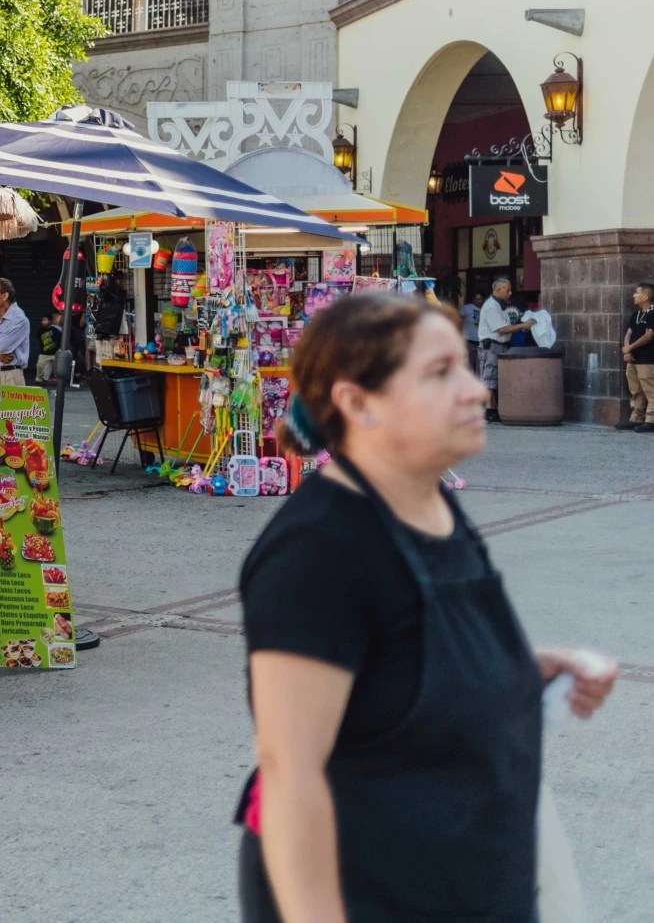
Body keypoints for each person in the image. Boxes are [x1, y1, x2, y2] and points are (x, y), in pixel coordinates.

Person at [236, 294, 617, 922]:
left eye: (465, 367)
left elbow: (403, 665)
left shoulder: (429, 501)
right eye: (441, 373)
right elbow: (290, 777)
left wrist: (524, 671)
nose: (476, 391)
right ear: (357, 402)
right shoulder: (316, 551)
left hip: (466, 877)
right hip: (372, 893)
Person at [477, 276, 532, 422]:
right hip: (491, 345)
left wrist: (520, 327)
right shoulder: (491, 306)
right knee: (489, 377)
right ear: (498, 289)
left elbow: (507, 326)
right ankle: (489, 410)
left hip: (501, 345)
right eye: (507, 290)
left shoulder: (500, 305)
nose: (510, 293)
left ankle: (495, 408)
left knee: (498, 377)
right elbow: (501, 329)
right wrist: (522, 325)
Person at [617, 281, 654, 432]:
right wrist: (627, 351)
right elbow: (629, 333)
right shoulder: (636, 314)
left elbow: (649, 335)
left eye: (637, 292)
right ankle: (637, 417)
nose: (634, 295)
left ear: (645, 297)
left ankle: (651, 419)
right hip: (633, 358)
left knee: (650, 389)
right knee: (636, 389)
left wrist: (630, 348)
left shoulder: (652, 313)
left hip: (648, 358)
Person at [35, 311, 63, 385]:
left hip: (55, 353)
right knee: (40, 366)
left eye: (45, 320)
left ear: (50, 321)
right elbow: (38, 340)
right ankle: (39, 380)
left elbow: (59, 340)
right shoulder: (40, 330)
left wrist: (58, 350)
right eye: (42, 320)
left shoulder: (55, 330)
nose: (43, 322)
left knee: (58, 367)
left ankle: (57, 381)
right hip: (44, 353)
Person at [459, 291, 482, 373]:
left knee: (480, 367)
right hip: (468, 340)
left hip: (481, 342)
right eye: (475, 299)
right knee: (467, 365)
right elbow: (459, 320)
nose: (477, 301)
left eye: (479, 299)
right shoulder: (466, 308)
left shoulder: (485, 309)